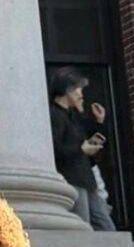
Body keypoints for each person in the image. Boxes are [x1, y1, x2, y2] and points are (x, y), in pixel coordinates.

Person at [49, 69, 114, 230]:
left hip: (86, 179)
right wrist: (81, 150)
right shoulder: (54, 115)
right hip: (72, 179)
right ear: (67, 90)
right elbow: (55, 149)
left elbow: (90, 139)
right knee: (82, 226)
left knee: (105, 225)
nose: (81, 94)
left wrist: (100, 122)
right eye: (78, 89)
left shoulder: (73, 116)